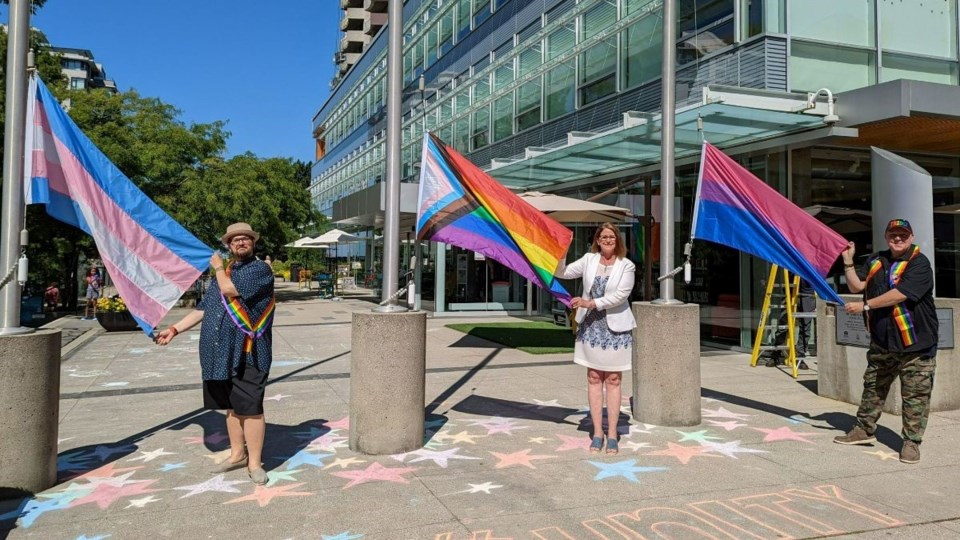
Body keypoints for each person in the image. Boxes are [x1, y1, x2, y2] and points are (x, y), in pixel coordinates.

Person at [155, 223, 275, 484]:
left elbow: (230, 290)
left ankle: (255, 463)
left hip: (249, 353)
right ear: (229, 246)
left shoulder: (259, 270)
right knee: (231, 407)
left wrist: (218, 268)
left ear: (253, 243)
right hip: (219, 355)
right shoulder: (228, 271)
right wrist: (175, 329)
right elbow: (203, 309)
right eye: (235, 240)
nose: (241, 243)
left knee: (251, 408)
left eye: (245, 239)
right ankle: (236, 455)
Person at [834, 219, 938, 464]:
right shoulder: (875, 260)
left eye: (903, 235)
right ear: (886, 236)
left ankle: (911, 442)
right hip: (883, 341)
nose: (898, 239)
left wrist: (866, 305)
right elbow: (858, 285)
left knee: (915, 397)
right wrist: (848, 260)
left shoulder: (919, 263)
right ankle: (863, 430)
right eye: (893, 235)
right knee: (873, 388)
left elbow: (901, 294)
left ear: (911, 237)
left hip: (916, 344)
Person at [555, 223, 637, 455]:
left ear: (617, 240)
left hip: (616, 329)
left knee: (612, 379)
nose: (608, 240)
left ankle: (612, 433)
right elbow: (563, 272)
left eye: (612, 236)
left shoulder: (626, 265)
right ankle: (597, 432)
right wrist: (561, 251)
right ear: (597, 240)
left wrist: (590, 303)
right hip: (591, 327)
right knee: (593, 377)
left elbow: (621, 295)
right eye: (604, 237)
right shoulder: (589, 259)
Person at [765, 278, 815, 370]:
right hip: (790, 291)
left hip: (807, 294)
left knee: (805, 328)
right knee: (783, 326)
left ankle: (799, 357)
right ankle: (776, 354)